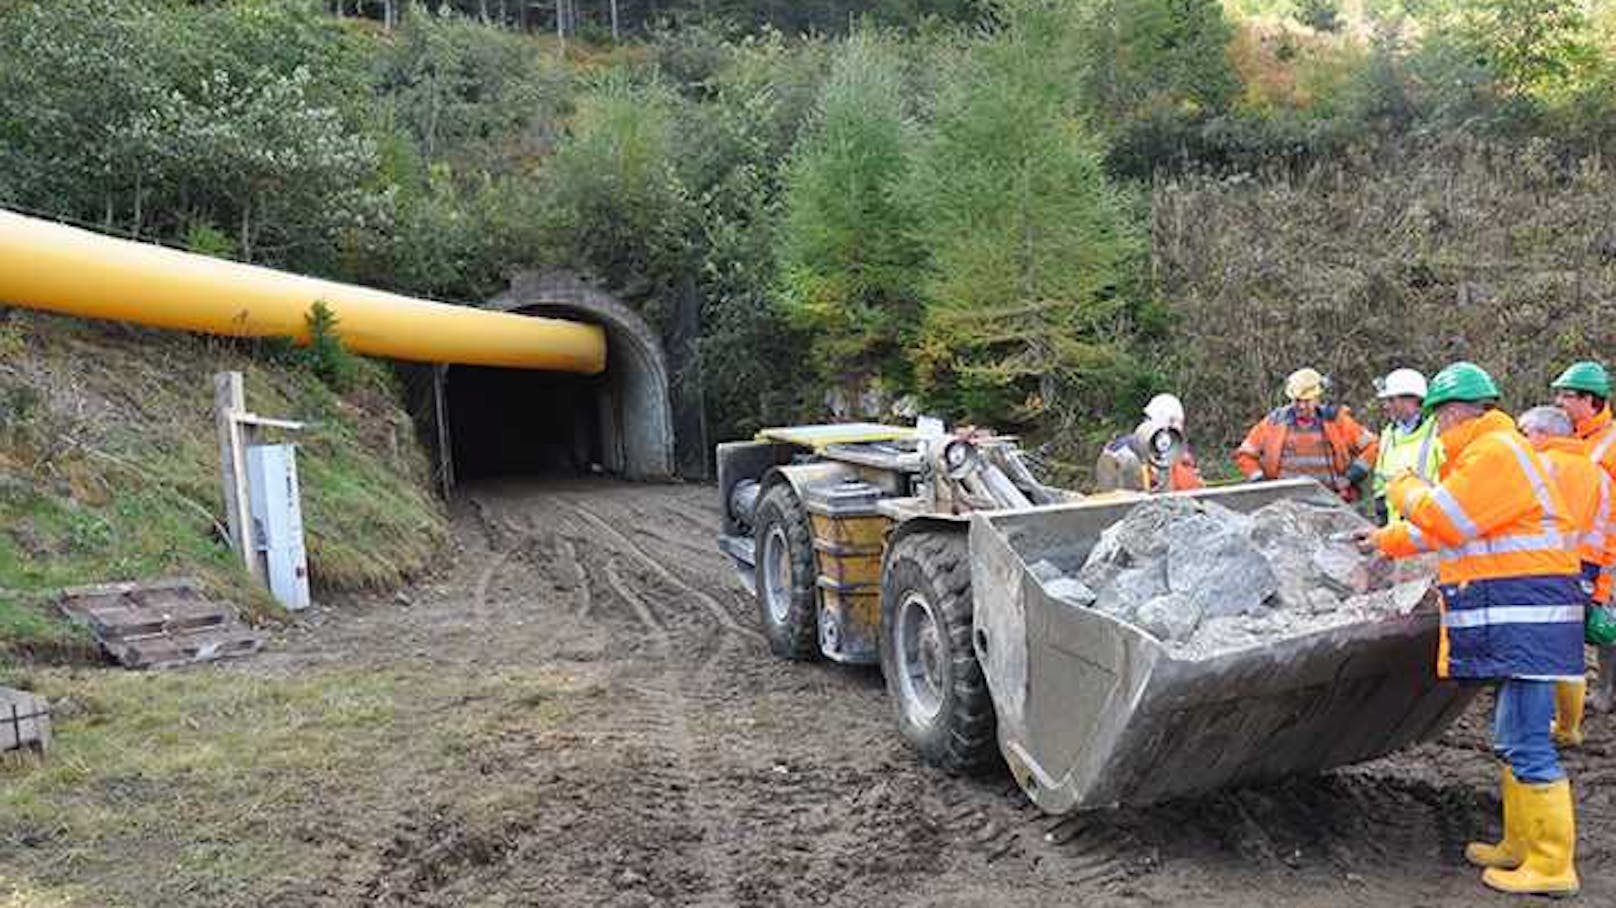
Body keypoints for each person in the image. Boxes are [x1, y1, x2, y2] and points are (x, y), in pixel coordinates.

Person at [1357, 363, 1583, 896]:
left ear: (1453, 414)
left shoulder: (1495, 453)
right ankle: (1520, 845)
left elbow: (1444, 519)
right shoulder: (1491, 453)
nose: (1436, 431)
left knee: (1528, 743)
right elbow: (1455, 530)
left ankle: (1552, 865)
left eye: (1438, 419)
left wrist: (1405, 484)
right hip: (1520, 620)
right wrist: (1384, 540)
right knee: (1511, 738)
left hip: (1528, 621)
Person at [1518, 406, 1614, 748]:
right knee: (1569, 654)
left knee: (1535, 652)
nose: (1522, 440)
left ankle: (1535, 726)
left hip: (1538, 568)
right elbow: (1608, 535)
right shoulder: (1598, 474)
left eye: (1525, 432)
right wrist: (1600, 587)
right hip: (1583, 573)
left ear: (1544, 435)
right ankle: (1569, 728)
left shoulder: (1536, 468)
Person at [1552, 360, 1616, 712]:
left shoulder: (1610, 442)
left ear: (1591, 400)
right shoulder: (1572, 437)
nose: (1560, 402)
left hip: (1608, 550)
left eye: (1567, 395)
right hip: (1578, 549)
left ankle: (1607, 692)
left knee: (1608, 621)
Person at [1234, 367, 1377, 502]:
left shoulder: (1337, 421)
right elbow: (1245, 454)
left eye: (1307, 401)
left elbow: (1372, 446)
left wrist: (1351, 476)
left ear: (1317, 397)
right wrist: (1261, 482)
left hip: (1332, 500)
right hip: (1286, 503)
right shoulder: (1274, 422)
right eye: (1297, 401)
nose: (1301, 406)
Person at [1372, 368, 1443, 525]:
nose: (1386, 406)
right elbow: (1381, 481)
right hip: (1396, 533)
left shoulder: (1438, 433)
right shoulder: (1388, 435)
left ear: (1411, 399)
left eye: (1391, 400)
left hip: (1430, 529)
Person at [1094, 393, 1203, 493]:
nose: (1178, 427)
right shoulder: (1122, 452)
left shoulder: (1178, 454)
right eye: (1172, 421)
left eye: (1180, 423)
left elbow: (1193, 487)